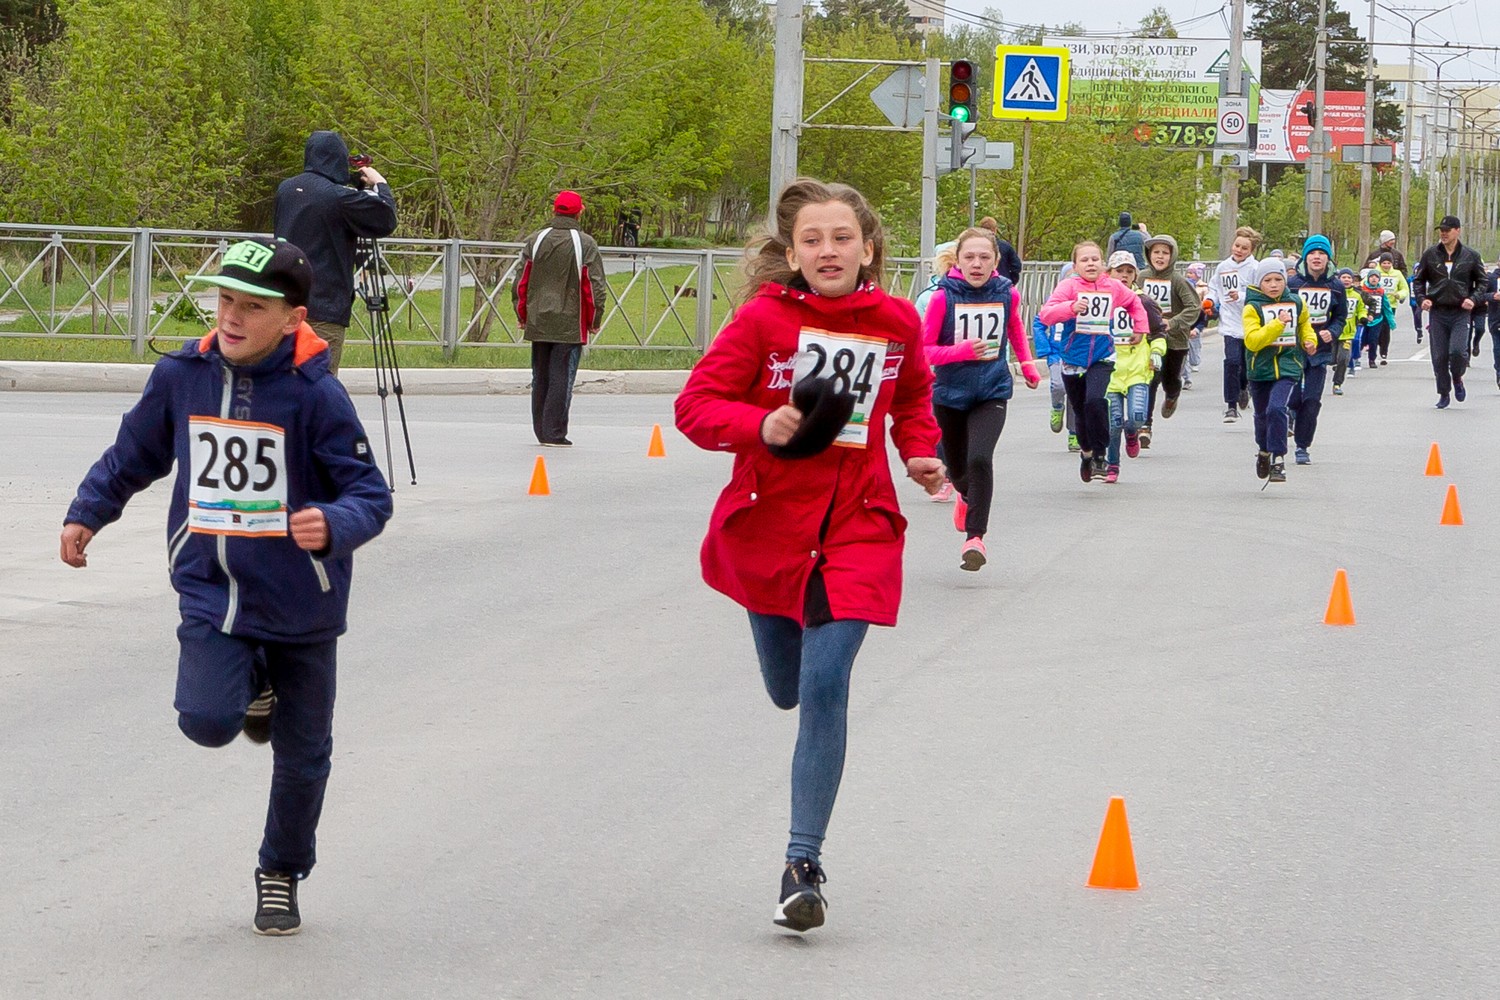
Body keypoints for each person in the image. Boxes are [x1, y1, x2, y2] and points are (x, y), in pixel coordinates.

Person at [58, 238, 394, 935]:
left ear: (294, 319)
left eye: (253, 306)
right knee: (208, 721)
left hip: (303, 604)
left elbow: (371, 493)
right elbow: (133, 455)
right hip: (211, 588)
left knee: (303, 760)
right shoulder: (182, 375)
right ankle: (252, 690)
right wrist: (88, 512)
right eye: (226, 301)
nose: (233, 317)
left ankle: (280, 870)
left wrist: (332, 524)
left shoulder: (316, 395)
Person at [673, 178, 943, 933]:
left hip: (859, 528)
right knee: (787, 687)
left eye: (842, 238)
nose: (829, 251)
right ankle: (803, 840)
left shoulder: (894, 322)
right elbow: (695, 407)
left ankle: (802, 863)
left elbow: (915, 400)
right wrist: (762, 425)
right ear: (792, 254)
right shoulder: (763, 323)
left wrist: (919, 453)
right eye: (814, 240)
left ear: (867, 248)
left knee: (825, 686)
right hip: (770, 531)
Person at [922, 227, 1040, 567]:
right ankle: (963, 494)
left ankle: (975, 539)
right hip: (949, 395)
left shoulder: (1007, 293)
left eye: (984, 257)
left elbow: (1014, 328)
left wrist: (1028, 365)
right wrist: (960, 351)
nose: (977, 264)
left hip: (992, 390)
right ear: (957, 260)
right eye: (970, 257)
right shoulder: (943, 298)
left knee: (980, 459)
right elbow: (926, 351)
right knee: (957, 470)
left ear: (996, 261)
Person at [273, 131, 399, 376]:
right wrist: (379, 183)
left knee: (282, 379)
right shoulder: (338, 198)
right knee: (318, 383)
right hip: (324, 308)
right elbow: (385, 218)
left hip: (284, 304)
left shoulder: (285, 190)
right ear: (339, 159)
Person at [1037, 241, 1148, 482]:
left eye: (1095, 259)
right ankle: (1087, 454)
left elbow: (1134, 303)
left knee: (1096, 401)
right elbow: (1046, 314)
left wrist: (1140, 328)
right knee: (1080, 411)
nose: (1090, 264)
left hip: (1102, 355)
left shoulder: (1113, 287)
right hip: (1072, 359)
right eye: (1085, 260)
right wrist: (1071, 307)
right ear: (1075, 265)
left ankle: (1100, 454)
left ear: (1103, 264)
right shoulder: (1068, 287)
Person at [514, 190, 609, 446]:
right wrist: (595, 318)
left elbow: (521, 281)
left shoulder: (536, 239)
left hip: (538, 318)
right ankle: (555, 432)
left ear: (554, 210)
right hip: (570, 321)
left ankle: (541, 431)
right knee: (562, 376)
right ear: (580, 212)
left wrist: (522, 313)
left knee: (540, 375)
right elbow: (594, 285)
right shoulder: (585, 243)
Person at [1242, 257, 1316, 484]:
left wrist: (1309, 340)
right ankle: (1264, 450)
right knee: (1262, 416)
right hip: (1260, 368)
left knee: (1277, 409)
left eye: (1278, 279)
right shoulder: (1252, 308)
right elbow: (1253, 341)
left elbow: (1305, 325)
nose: (1274, 285)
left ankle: (1278, 458)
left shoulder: (1296, 303)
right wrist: (1277, 324)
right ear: (1259, 283)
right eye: (1268, 280)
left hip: (1288, 366)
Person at [1102, 252, 1166, 483]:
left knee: (1137, 416)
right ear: (1109, 273)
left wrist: (1157, 352)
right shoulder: (1100, 299)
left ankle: (1132, 432)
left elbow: (1159, 333)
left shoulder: (1144, 302)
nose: (1124, 276)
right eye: (1119, 271)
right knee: (1113, 422)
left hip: (1138, 370)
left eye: (1129, 272)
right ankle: (1113, 465)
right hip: (1110, 371)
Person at [1411, 215, 1488, 408]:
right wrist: (1423, 299)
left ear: (1457, 231)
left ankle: (1457, 378)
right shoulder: (1430, 254)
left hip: (1460, 312)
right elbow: (1418, 280)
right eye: (1441, 230)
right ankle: (1444, 393)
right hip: (1438, 312)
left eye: (1448, 230)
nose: (1444, 233)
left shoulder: (1470, 255)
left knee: (1457, 352)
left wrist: (1473, 299)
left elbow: (1482, 282)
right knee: (1439, 356)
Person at [1285, 234, 1346, 465]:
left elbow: (1340, 317)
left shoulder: (1336, 286)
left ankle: (1302, 446)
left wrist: (1333, 331)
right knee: (1294, 395)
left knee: (1311, 400)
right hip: (1294, 349)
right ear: (1305, 257)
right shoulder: (1292, 284)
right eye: (1312, 253)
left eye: (1321, 253)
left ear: (1328, 258)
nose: (1317, 257)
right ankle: (1289, 414)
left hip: (1320, 351)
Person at [1139, 234, 1201, 446]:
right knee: (1150, 379)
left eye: (1165, 253)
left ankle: (1173, 394)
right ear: (1149, 254)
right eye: (1156, 252)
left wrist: (1172, 322)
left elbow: (1194, 307)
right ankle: (1145, 426)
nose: (1160, 256)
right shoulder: (1141, 277)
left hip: (1175, 340)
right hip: (1148, 339)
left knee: (1170, 379)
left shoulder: (1178, 281)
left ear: (1172, 256)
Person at [1209, 226, 1261, 422]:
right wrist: (1210, 300)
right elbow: (1215, 287)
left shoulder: (1255, 269)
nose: (1239, 250)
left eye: (1244, 248)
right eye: (1237, 245)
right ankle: (1231, 405)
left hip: (1249, 322)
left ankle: (1243, 387)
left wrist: (1241, 296)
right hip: (1230, 322)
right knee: (1231, 362)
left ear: (1251, 251)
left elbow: (1260, 294)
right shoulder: (1223, 267)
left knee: (1246, 364)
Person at [1032, 263, 1078, 450]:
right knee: (1058, 385)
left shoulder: (1086, 300)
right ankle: (1057, 406)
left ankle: (1074, 434)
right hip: (1057, 353)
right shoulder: (1054, 300)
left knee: (1076, 395)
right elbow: (1039, 323)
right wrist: (1045, 350)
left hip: (1076, 354)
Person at [1331, 268, 1366, 395]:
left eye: (1349, 278)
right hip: (1333, 331)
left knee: (1344, 358)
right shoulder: (1333, 293)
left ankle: (1337, 383)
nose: (1346, 280)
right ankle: (1334, 363)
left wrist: (1363, 316)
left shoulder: (1357, 296)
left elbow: (1361, 308)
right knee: (1331, 358)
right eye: (1343, 277)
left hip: (1348, 333)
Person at [977, 216, 1023, 282]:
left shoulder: (973, 246)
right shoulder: (1006, 246)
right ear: (995, 230)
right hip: (1001, 283)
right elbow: (1017, 266)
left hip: (980, 285)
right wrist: (1010, 281)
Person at [1486, 259, 1500, 388]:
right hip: (1496, 319)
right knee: (1498, 349)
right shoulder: (1492, 278)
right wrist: (1492, 296)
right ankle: (1499, 372)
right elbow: (1481, 295)